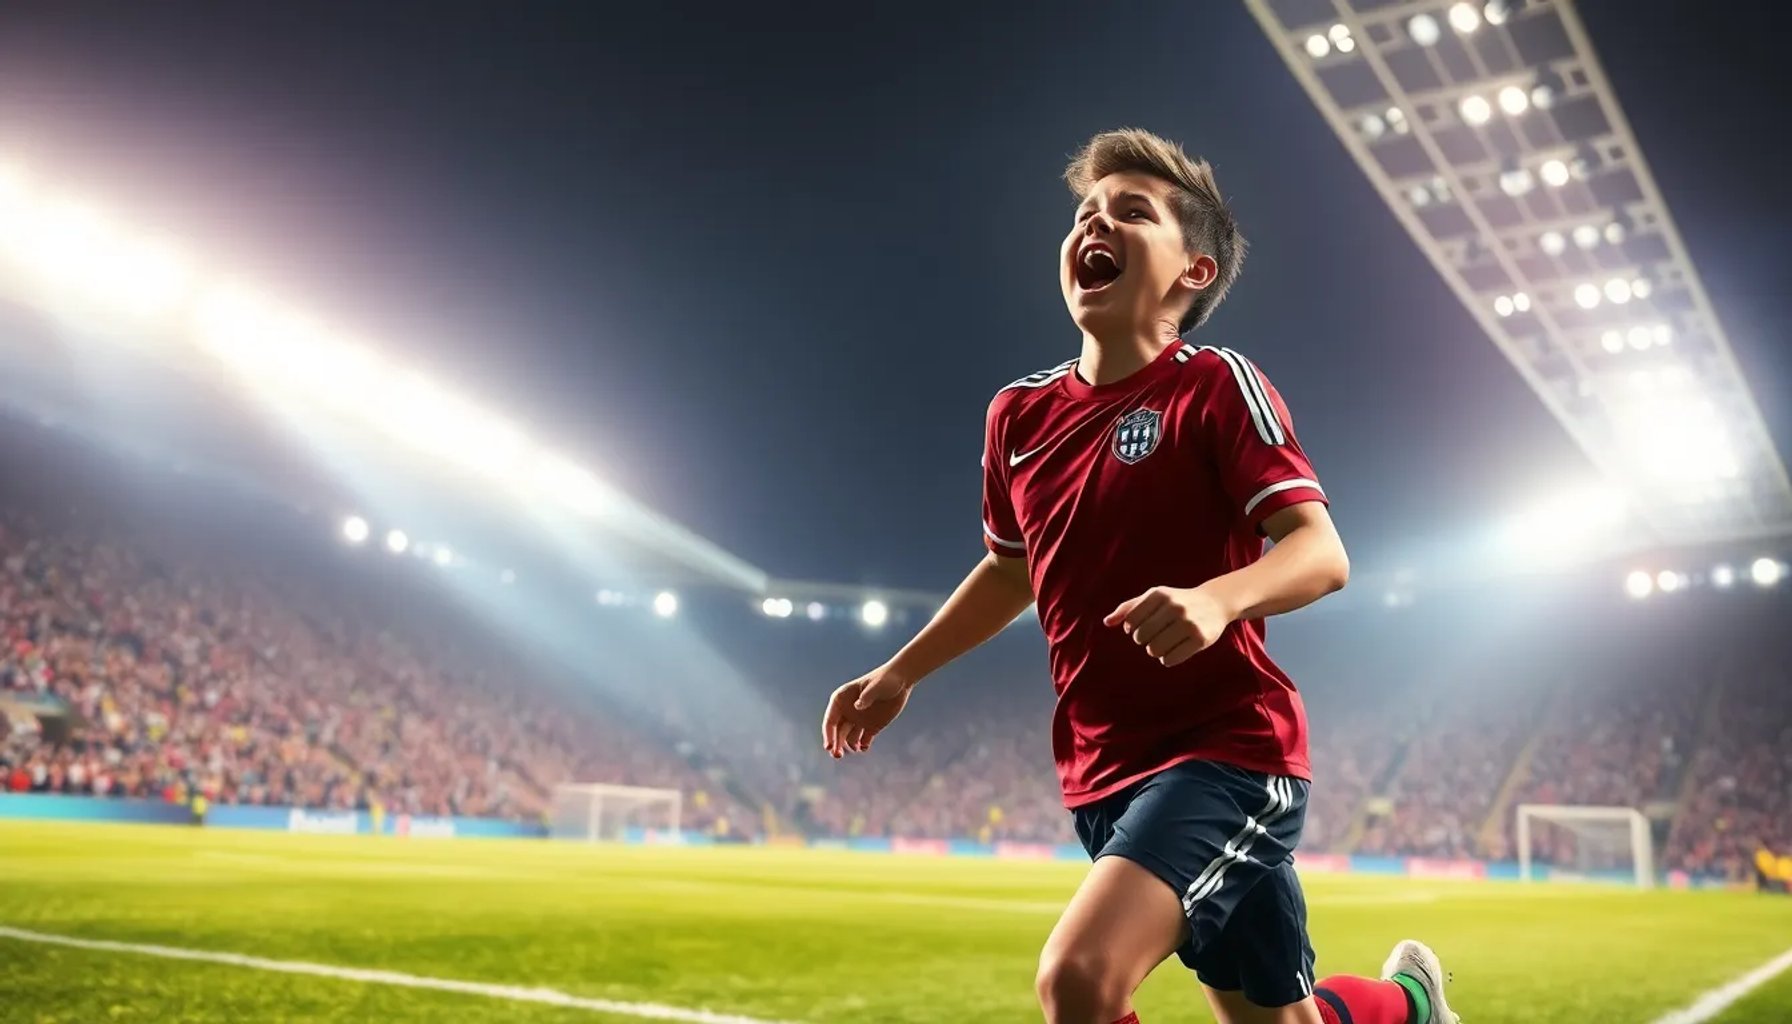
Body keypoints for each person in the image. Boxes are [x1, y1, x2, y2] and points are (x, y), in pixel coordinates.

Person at [822, 129, 1458, 1024]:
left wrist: (1216, 598)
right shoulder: (1019, 416)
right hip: (1101, 772)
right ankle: (1407, 1006)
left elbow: (1321, 552)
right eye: (1087, 212)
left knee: (1078, 980)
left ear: (1193, 271)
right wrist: (900, 672)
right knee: (1281, 1021)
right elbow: (1012, 574)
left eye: (1132, 211)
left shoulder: (1213, 385)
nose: (1099, 222)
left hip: (1230, 753)